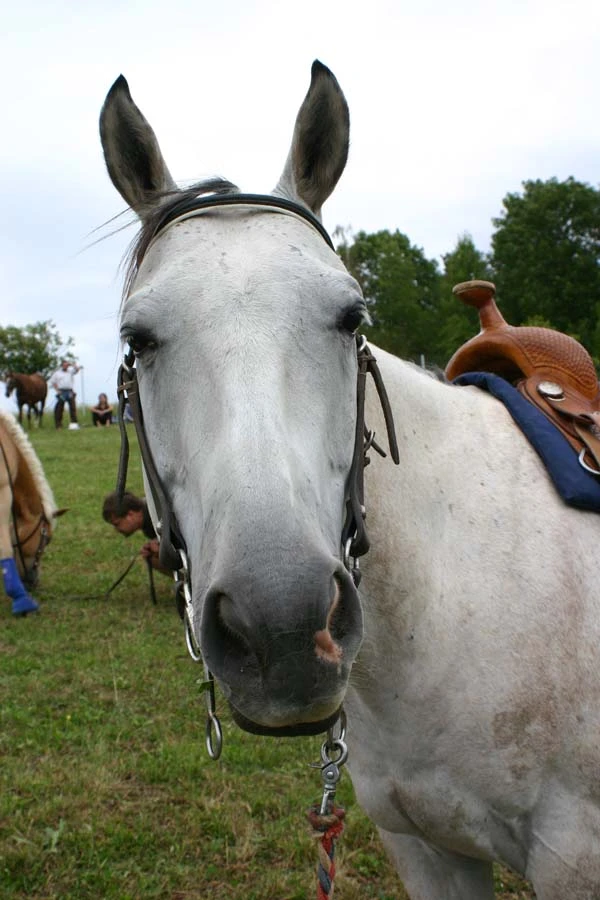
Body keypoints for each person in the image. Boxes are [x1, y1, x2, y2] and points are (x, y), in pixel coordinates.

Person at [102, 491, 171, 575]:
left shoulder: (158, 512)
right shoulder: (147, 515)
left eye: (117, 524)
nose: (117, 529)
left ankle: (189, 584)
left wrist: (165, 549)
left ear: (130, 515)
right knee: (152, 557)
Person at [50, 359, 82, 429]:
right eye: (64, 365)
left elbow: (77, 370)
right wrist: (57, 390)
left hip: (70, 391)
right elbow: (53, 382)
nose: (66, 366)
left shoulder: (70, 371)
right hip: (62, 391)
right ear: (62, 365)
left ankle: (74, 424)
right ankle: (58, 425)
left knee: (73, 407)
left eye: (67, 365)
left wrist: (72, 364)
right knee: (59, 408)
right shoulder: (57, 373)